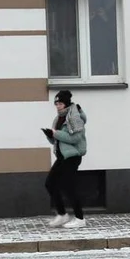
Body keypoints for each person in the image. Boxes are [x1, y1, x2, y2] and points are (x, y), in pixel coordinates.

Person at [43, 90, 88, 228]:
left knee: (68, 186)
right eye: (56, 103)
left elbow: (76, 138)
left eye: (60, 103)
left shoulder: (74, 116)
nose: (57, 106)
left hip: (73, 156)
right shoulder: (58, 118)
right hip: (62, 156)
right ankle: (62, 215)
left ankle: (80, 218)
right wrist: (50, 135)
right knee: (50, 183)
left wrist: (56, 134)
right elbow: (56, 141)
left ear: (66, 104)